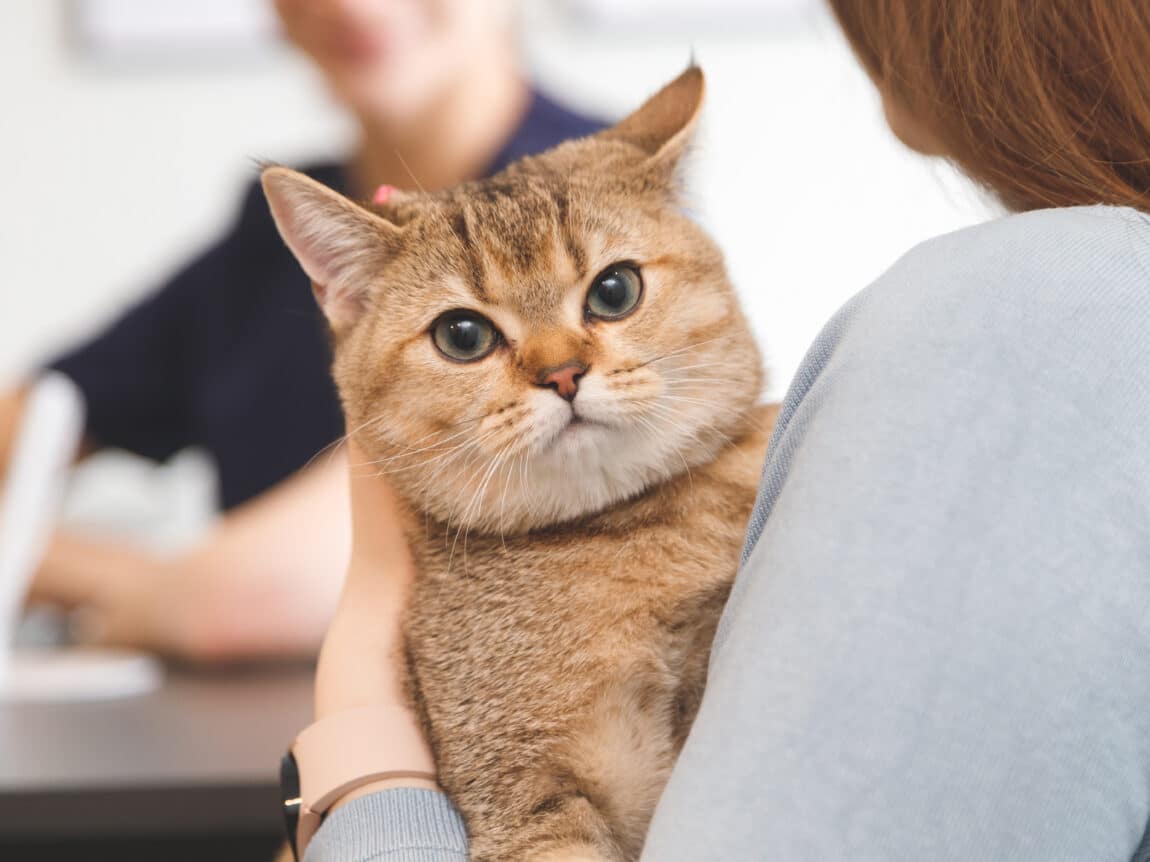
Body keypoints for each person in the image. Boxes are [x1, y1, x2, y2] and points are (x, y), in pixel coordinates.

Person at [301, 0, 1150, 859]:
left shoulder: (1055, 297)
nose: (561, 368)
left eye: (612, 295)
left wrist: (361, 721)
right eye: (466, 335)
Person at [0, 0, 603, 660]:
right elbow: (37, 419)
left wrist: (48, 569)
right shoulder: (283, 231)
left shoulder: (603, 204)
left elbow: (241, 604)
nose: (352, 5)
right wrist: (149, 596)